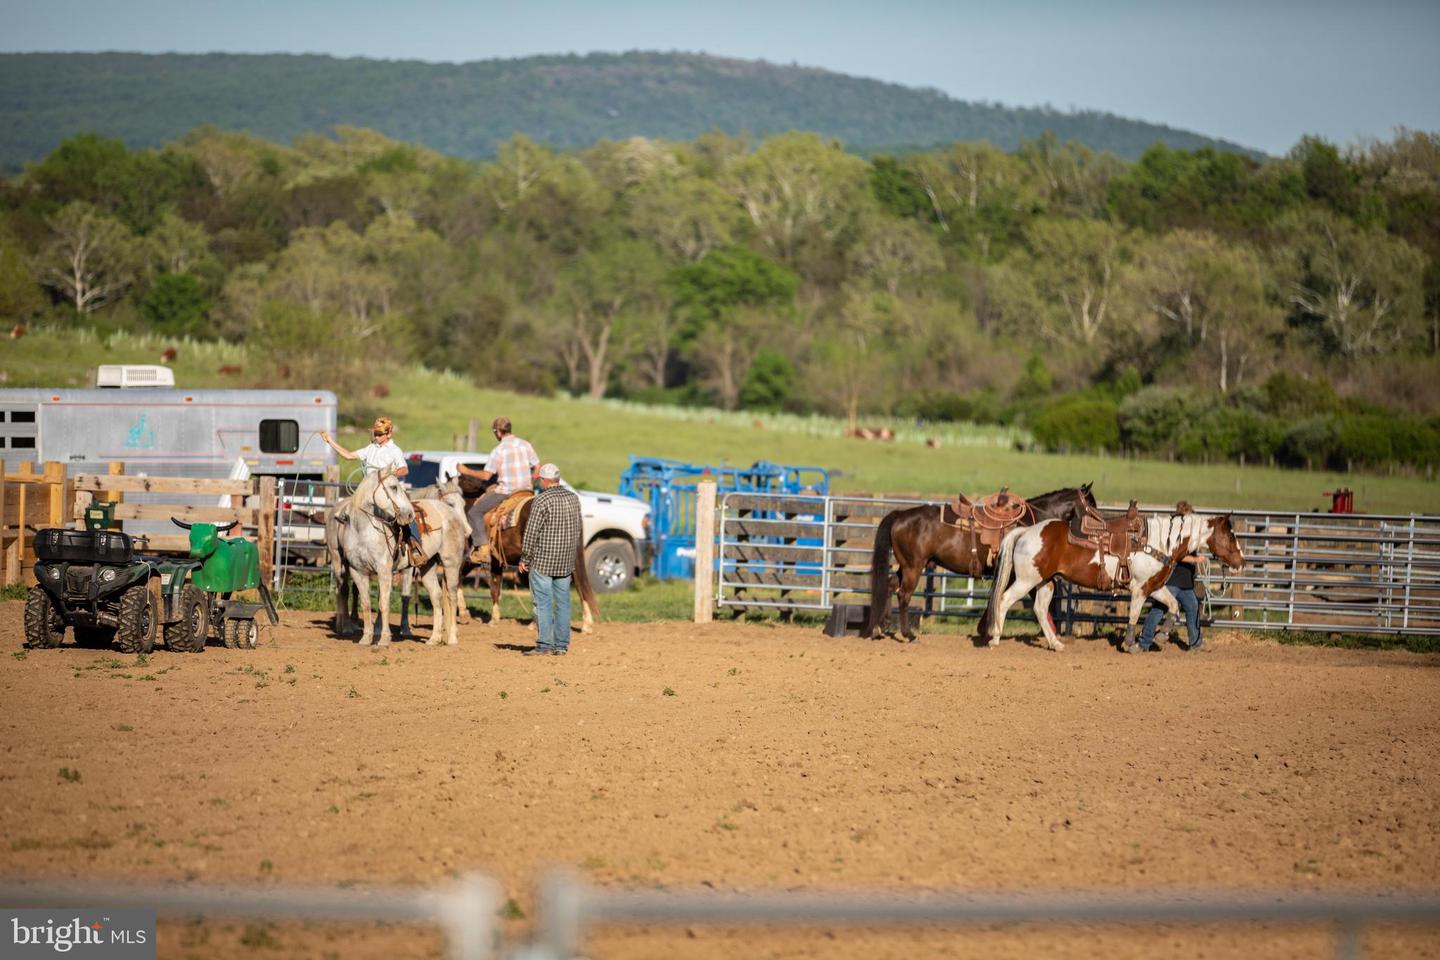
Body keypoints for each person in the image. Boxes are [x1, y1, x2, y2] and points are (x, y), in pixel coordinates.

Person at [320, 417, 424, 566]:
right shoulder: (371, 448)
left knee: (406, 513)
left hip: (388, 491)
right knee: (344, 510)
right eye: (375, 433)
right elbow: (349, 455)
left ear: (389, 434)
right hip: (368, 491)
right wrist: (330, 441)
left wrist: (389, 474)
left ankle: (414, 547)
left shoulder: (395, 451)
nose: (376, 436)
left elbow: (404, 469)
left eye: (380, 434)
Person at [519, 463, 582, 656]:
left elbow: (531, 532)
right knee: (563, 603)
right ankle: (561, 645)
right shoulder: (574, 498)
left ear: (544, 480)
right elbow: (577, 529)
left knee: (543, 603)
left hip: (543, 561)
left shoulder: (541, 500)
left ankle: (544, 645)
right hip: (565, 560)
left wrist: (525, 557)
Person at [457, 416, 539, 565]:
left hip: (506, 492)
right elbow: (538, 466)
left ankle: (483, 550)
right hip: (527, 492)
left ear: (498, 432)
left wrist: (466, 470)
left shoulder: (498, 450)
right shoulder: (525, 445)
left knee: (474, 512)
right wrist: (532, 481)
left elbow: (486, 475)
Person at [1131, 501, 1204, 653]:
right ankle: (1144, 643)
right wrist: (1195, 560)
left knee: (1192, 607)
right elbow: (1175, 556)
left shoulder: (1188, 533)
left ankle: (1196, 643)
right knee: (1158, 610)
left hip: (1185, 581)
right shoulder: (1174, 533)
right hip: (1171, 579)